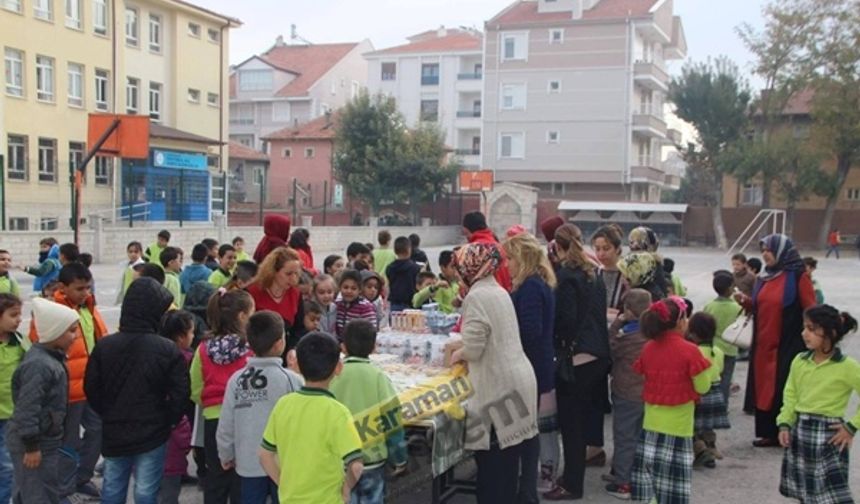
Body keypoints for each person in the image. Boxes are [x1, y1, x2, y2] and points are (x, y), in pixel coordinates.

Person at [84, 277, 189, 504]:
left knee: (112, 488)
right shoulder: (166, 348)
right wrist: (168, 419)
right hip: (153, 431)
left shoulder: (105, 346)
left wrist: (108, 412)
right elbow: (180, 392)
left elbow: (91, 387)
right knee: (145, 491)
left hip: (114, 429)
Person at [449, 243, 538, 504]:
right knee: (507, 466)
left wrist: (456, 354)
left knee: (494, 471)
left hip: (499, 389)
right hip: (517, 379)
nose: (456, 274)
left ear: (470, 267)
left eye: (457, 268)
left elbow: (475, 348)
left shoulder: (476, 296)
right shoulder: (498, 290)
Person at [29, 263, 108, 500]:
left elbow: (100, 339)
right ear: (63, 287)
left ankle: (81, 477)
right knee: (68, 442)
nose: (85, 293)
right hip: (67, 392)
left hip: (92, 387)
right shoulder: (51, 313)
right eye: (79, 288)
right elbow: (40, 344)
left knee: (98, 431)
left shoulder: (89, 307)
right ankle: (64, 488)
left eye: (88, 287)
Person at [544, 224, 610, 501]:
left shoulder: (567, 276)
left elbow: (567, 321)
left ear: (557, 248)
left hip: (577, 357)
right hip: (598, 354)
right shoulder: (593, 272)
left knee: (571, 424)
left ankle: (572, 484)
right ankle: (572, 476)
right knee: (581, 420)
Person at [258, 332, 363, 504]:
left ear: (297, 365)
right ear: (338, 367)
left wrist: (284, 484)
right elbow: (356, 465)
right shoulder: (338, 412)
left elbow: (264, 455)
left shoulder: (283, 404)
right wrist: (345, 491)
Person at [735, 234, 816, 447]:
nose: (765, 254)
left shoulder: (798, 277)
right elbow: (761, 305)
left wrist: (814, 337)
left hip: (787, 344)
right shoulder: (764, 276)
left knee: (783, 387)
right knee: (763, 388)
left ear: (781, 252)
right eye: (762, 251)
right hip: (763, 343)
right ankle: (768, 433)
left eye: (769, 250)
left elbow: (810, 308)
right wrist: (747, 303)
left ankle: (786, 433)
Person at [630, 297, 711, 504]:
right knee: (672, 491)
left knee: (650, 487)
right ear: (679, 322)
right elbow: (703, 386)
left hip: (650, 426)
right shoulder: (690, 350)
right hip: (678, 429)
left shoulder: (648, 348)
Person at [217, 311, 304, 503]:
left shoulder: (236, 380)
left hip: (248, 462)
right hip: (283, 464)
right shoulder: (291, 380)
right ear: (280, 343)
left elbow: (226, 424)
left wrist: (225, 453)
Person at [777, 304, 859, 503]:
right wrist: (785, 423)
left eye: (812, 329)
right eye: (805, 327)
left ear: (830, 333)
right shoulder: (800, 360)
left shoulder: (848, 366)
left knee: (829, 496)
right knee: (807, 493)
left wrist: (851, 427)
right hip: (801, 431)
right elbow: (791, 394)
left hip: (829, 436)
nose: (805, 333)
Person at [502, 233, 557, 501]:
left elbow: (530, 331)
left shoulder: (531, 287)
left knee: (525, 432)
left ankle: (525, 491)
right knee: (528, 430)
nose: (507, 264)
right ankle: (525, 489)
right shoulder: (536, 283)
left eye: (510, 258)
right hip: (535, 366)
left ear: (522, 259)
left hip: (531, 368)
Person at [8, 298, 79, 504]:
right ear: (55, 332)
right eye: (71, 331)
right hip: (34, 443)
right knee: (37, 494)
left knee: (35, 489)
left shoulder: (50, 358)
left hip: (44, 440)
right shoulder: (40, 365)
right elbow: (27, 408)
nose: (75, 336)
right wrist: (31, 446)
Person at [330, 320, 407, 502]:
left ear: (343, 347)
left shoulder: (332, 375)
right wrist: (399, 457)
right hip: (371, 459)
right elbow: (392, 420)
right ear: (374, 347)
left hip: (338, 461)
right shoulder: (378, 376)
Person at [190, 289, 255, 503]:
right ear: (242, 316)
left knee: (216, 478)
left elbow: (195, 387)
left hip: (213, 419)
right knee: (242, 478)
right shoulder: (250, 347)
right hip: (245, 418)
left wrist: (209, 403)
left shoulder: (203, 348)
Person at [604, 289, 651, 499]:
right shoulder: (652, 334)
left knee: (624, 437)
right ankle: (629, 473)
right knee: (639, 435)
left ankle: (623, 482)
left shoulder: (627, 338)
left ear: (629, 311)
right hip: (646, 392)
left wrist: (616, 323)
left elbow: (610, 346)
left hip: (626, 392)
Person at [157, 310, 196, 504]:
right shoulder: (186, 360)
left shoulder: (156, 356)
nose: (193, 337)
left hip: (152, 442)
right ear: (181, 337)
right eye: (191, 333)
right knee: (169, 492)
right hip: (173, 443)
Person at [687, 312, 729, 469]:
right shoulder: (717, 351)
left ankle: (700, 450)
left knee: (692, 425)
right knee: (707, 426)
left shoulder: (694, 351)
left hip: (699, 393)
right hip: (715, 391)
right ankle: (711, 449)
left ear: (693, 333)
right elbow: (721, 370)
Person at [246, 247, 304, 349]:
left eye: (296, 273)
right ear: (273, 271)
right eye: (288, 274)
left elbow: (299, 329)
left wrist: (293, 349)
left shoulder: (295, 294)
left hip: (284, 350)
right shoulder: (251, 292)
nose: (294, 279)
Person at [0, 294, 26, 503]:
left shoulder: (20, 342)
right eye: (13, 315)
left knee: (8, 465)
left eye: (20, 314)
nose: (19, 319)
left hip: (11, 414)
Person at [703, 271, 742, 406]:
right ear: (731, 288)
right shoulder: (737, 307)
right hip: (731, 348)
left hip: (713, 347)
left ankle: (711, 403)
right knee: (726, 378)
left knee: (714, 377)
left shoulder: (709, 306)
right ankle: (723, 404)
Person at [462, 211, 513, 291]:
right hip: (504, 295)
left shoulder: (474, 250)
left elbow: (467, 281)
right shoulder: (498, 246)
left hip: (483, 297)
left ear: (466, 230)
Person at [591, 225, 627, 312]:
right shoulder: (592, 274)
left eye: (606, 249)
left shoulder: (629, 276)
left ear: (617, 249)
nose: (601, 254)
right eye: (597, 249)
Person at [335, 270, 377, 339]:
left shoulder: (365, 307)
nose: (349, 291)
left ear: (360, 290)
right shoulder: (338, 304)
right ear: (340, 288)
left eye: (353, 288)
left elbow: (371, 330)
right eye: (345, 287)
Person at [385, 237, 421, 313]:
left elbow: (388, 285)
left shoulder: (389, 268)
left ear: (395, 251)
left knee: (395, 324)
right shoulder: (415, 268)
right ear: (409, 249)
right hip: (411, 304)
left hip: (395, 304)